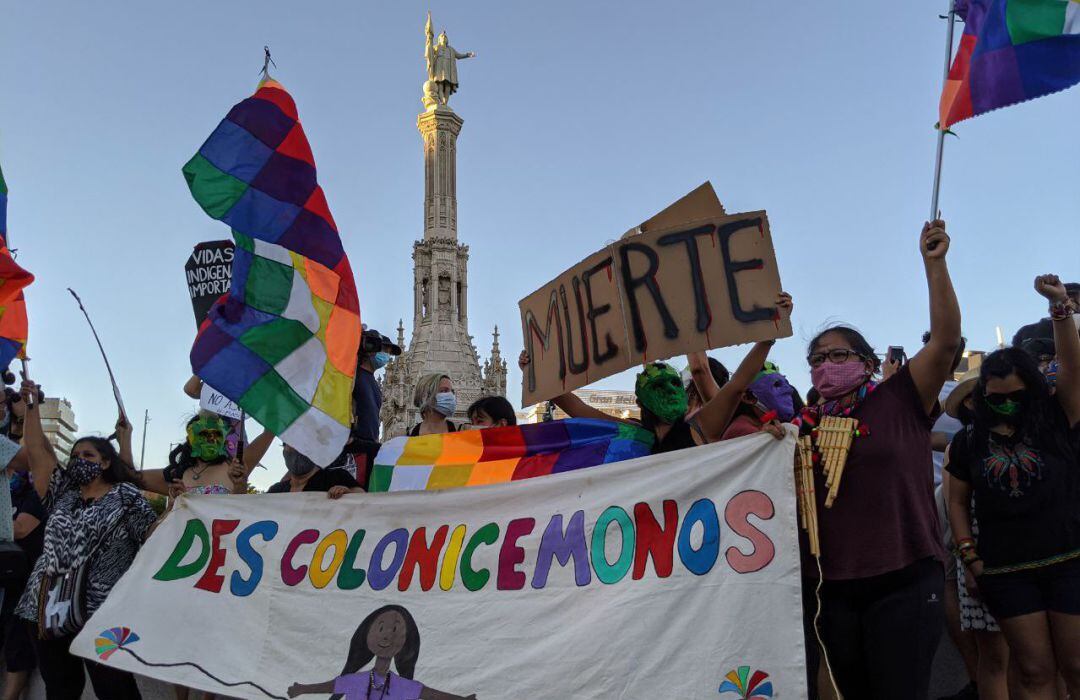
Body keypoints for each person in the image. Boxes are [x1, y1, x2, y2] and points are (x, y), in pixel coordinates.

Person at [805, 219, 961, 699]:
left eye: (838, 355)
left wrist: (934, 266)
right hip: (833, 590)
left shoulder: (902, 396)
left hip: (905, 575)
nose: (827, 365)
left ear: (868, 363)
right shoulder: (802, 425)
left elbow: (945, 341)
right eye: (817, 358)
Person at [947, 274, 1080, 700]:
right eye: (995, 397)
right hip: (1006, 571)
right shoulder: (969, 441)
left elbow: (1074, 367)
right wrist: (971, 558)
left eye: (1017, 396)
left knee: (1077, 667)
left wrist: (1060, 307)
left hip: (1070, 559)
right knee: (1033, 671)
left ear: (1035, 392)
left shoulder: (1058, 421)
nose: (1006, 404)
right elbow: (957, 500)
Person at [16, 380, 162, 700]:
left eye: (88, 454)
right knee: (61, 688)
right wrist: (31, 408)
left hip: (102, 612)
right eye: (75, 453)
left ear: (106, 462)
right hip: (47, 606)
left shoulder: (125, 497)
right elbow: (39, 449)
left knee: (115, 689)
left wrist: (178, 510)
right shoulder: (62, 493)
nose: (79, 458)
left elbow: (153, 537)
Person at [520, 293, 793, 452]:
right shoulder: (633, 432)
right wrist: (537, 373)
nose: (671, 392)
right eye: (660, 387)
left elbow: (735, 385)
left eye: (675, 384)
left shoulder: (702, 426)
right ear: (641, 401)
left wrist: (768, 337)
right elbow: (578, 408)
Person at [940, 372, 1009, 700]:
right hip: (981, 555)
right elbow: (958, 507)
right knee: (995, 657)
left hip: (1025, 558)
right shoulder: (964, 444)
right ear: (970, 402)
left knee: (1029, 657)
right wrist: (969, 562)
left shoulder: (1025, 436)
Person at [288, 605, 477, 700]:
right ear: (366, 634)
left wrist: (460, 699)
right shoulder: (355, 681)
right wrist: (301, 689)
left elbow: (430, 694)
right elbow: (328, 686)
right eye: (380, 628)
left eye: (395, 630)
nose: (386, 637)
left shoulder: (404, 686)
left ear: (406, 642)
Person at [0, 392, 39, 700]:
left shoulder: (33, 493)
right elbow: (28, 458)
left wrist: (24, 416)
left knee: (14, 642)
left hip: (15, 571)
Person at [139, 412, 273, 497]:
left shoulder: (235, 466)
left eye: (217, 434)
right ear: (190, 437)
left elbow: (271, 429)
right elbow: (127, 475)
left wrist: (240, 484)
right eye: (204, 434)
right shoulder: (176, 474)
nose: (211, 439)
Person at [352, 328, 402, 484]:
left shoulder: (373, 383)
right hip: (353, 449)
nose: (387, 356)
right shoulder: (353, 376)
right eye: (384, 349)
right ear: (369, 348)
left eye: (389, 352)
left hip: (370, 449)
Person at [721, 362, 797, 441]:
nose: (790, 390)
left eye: (786, 383)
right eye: (776, 384)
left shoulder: (768, 425)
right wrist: (763, 439)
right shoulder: (743, 430)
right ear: (747, 398)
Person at [267, 445, 364, 497]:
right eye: (291, 448)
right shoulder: (276, 491)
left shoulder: (336, 477)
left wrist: (348, 492)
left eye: (303, 448)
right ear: (284, 452)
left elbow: (363, 496)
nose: (297, 453)